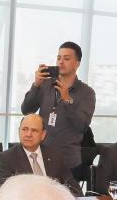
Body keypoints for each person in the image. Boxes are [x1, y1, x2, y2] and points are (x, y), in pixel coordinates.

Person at [20, 42, 96, 180]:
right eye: (58, 58)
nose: (61, 62)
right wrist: (36, 85)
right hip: (41, 157)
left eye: (66, 58)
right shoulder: (45, 84)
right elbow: (26, 110)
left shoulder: (87, 93)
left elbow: (82, 125)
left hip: (68, 160)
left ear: (77, 63)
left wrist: (67, 100)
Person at [0, 114, 80, 195]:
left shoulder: (55, 155)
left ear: (43, 134)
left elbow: (73, 187)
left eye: (34, 130)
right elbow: (4, 192)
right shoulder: (7, 158)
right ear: (19, 131)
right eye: (24, 129)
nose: (28, 134)